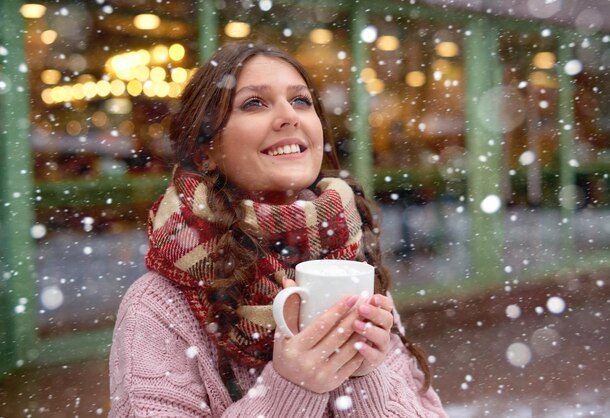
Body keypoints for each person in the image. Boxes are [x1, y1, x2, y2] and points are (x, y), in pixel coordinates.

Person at [108, 42, 447, 417]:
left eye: (301, 101)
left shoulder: (349, 267)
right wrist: (288, 390)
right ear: (206, 150)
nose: (290, 116)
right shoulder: (158, 308)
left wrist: (363, 372)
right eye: (254, 103)